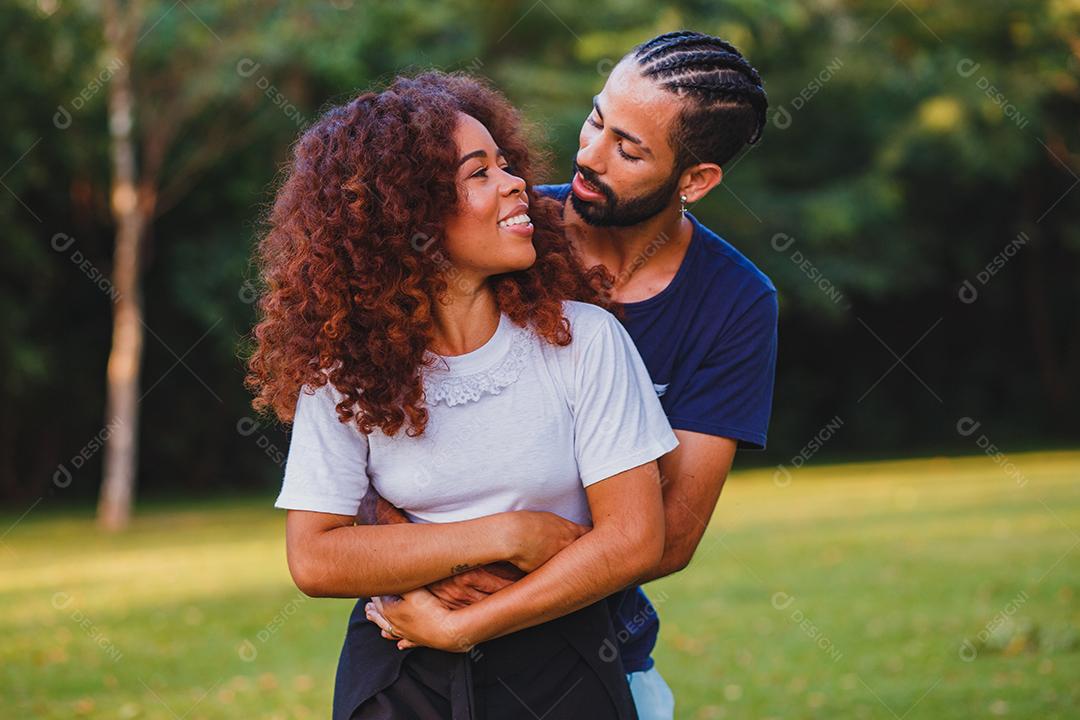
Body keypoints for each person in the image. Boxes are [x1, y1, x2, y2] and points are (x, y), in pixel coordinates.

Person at [370, 31, 779, 720]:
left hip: (597, 656)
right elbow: (361, 432)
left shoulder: (735, 302)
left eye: (630, 149)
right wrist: (438, 565)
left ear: (696, 180)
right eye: (597, 119)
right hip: (419, 648)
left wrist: (495, 594)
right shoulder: (495, 232)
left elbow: (670, 536)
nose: (589, 153)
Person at [245, 70, 677, 718]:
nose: (516, 185)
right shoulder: (345, 373)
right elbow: (315, 557)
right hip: (400, 661)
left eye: (506, 165)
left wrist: (468, 624)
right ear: (408, 216)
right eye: (480, 174)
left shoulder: (586, 342)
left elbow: (635, 540)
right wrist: (508, 534)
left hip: (564, 666)